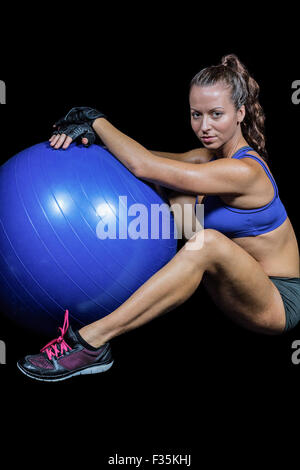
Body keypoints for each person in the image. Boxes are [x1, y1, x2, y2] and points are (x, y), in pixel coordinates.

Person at [17, 54, 300, 382]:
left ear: (240, 113)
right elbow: (148, 159)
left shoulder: (245, 171)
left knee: (206, 239)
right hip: (233, 282)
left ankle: (91, 342)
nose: (204, 126)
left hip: (276, 300)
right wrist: (92, 144)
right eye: (196, 115)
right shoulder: (206, 158)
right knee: (173, 183)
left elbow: (144, 165)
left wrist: (96, 120)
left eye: (216, 115)